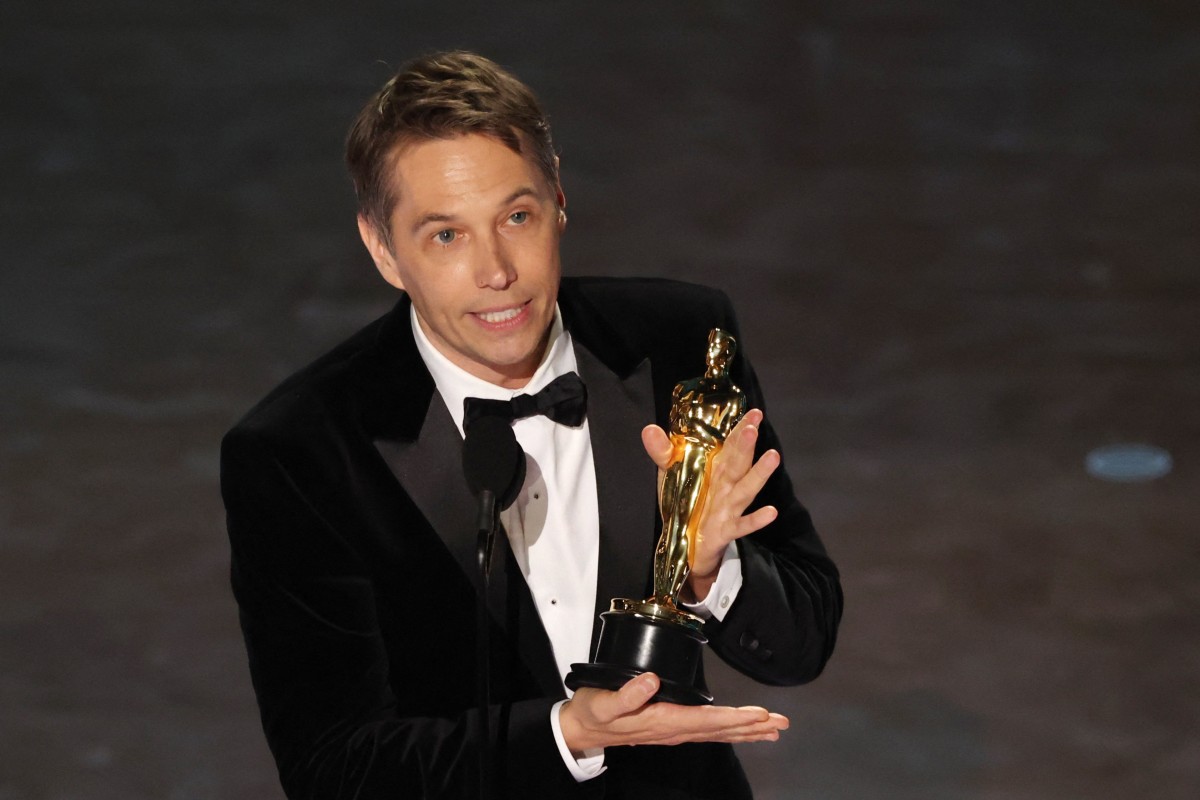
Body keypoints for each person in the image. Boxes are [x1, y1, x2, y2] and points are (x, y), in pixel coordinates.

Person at [221, 50, 842, 799]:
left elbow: (800, 643)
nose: (496, 271)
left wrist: (713, 575)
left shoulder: (679, 343)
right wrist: (566, 736)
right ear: (384, 250)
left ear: (559, 201)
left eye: (517, 217)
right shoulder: (300, 451)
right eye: (445, 236)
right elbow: (335, 770)